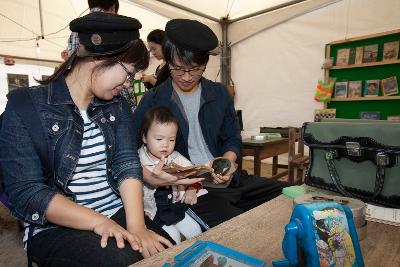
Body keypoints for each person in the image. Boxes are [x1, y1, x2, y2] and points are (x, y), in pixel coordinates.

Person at [0, 12, 173, 267]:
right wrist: (99, 222)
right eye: (128, 73)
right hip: (55, 226)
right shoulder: (24, 107)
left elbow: (126, 161)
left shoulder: (117, 106)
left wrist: (137, 225)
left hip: (115, 209)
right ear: (99, 58)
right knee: (122, 260)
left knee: (169, 252)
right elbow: (28, 192)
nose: (128, 84)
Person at [132, 19, 289, 228]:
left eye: (196, 69)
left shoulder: (220, 93)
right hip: (192, 190)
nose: (186, 77)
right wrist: (151, 175)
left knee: (289, 195)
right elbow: (129, 146)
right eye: (178, 69)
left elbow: (232, 138)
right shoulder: (154, 100)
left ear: (205, 64)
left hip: (230, 179)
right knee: (240, 227)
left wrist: (227, 163)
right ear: (168, 63)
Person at [139, 106, 206, 243]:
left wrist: (192, 190)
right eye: (159, 139)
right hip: (152, 214)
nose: (165, 145)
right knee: (172, 238)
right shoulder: (137, 160)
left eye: (171, 140)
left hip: (175, 207)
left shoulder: (176, 158)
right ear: (144, 137)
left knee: (195, 230)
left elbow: (194, 174)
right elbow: (130, 190)